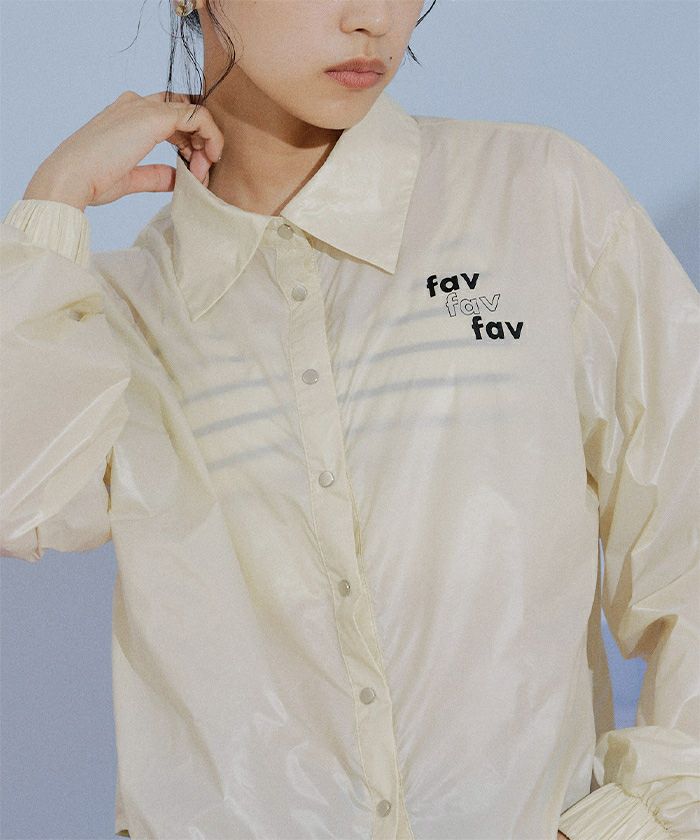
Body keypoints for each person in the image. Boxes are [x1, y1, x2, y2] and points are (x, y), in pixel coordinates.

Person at [1, 1, 698, 838]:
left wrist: (643, 818)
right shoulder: (120, 314)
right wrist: (50, 208)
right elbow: (18, 502)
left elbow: (688, 535)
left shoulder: (535, 200)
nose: (373, 17)